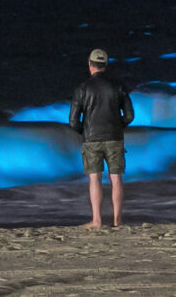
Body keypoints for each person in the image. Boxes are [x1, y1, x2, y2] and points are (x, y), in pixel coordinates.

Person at [68, 47, 134, 228]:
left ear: (90, 64)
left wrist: (85, 131)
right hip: (114, 138)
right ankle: (117, 221)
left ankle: (97, 220)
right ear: (105, 65)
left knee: (95, 179)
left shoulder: (82, 88)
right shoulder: (118, 86)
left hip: (92, 139)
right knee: (116, 178)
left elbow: (73, 120)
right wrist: (117, 125)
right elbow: (129, 116)